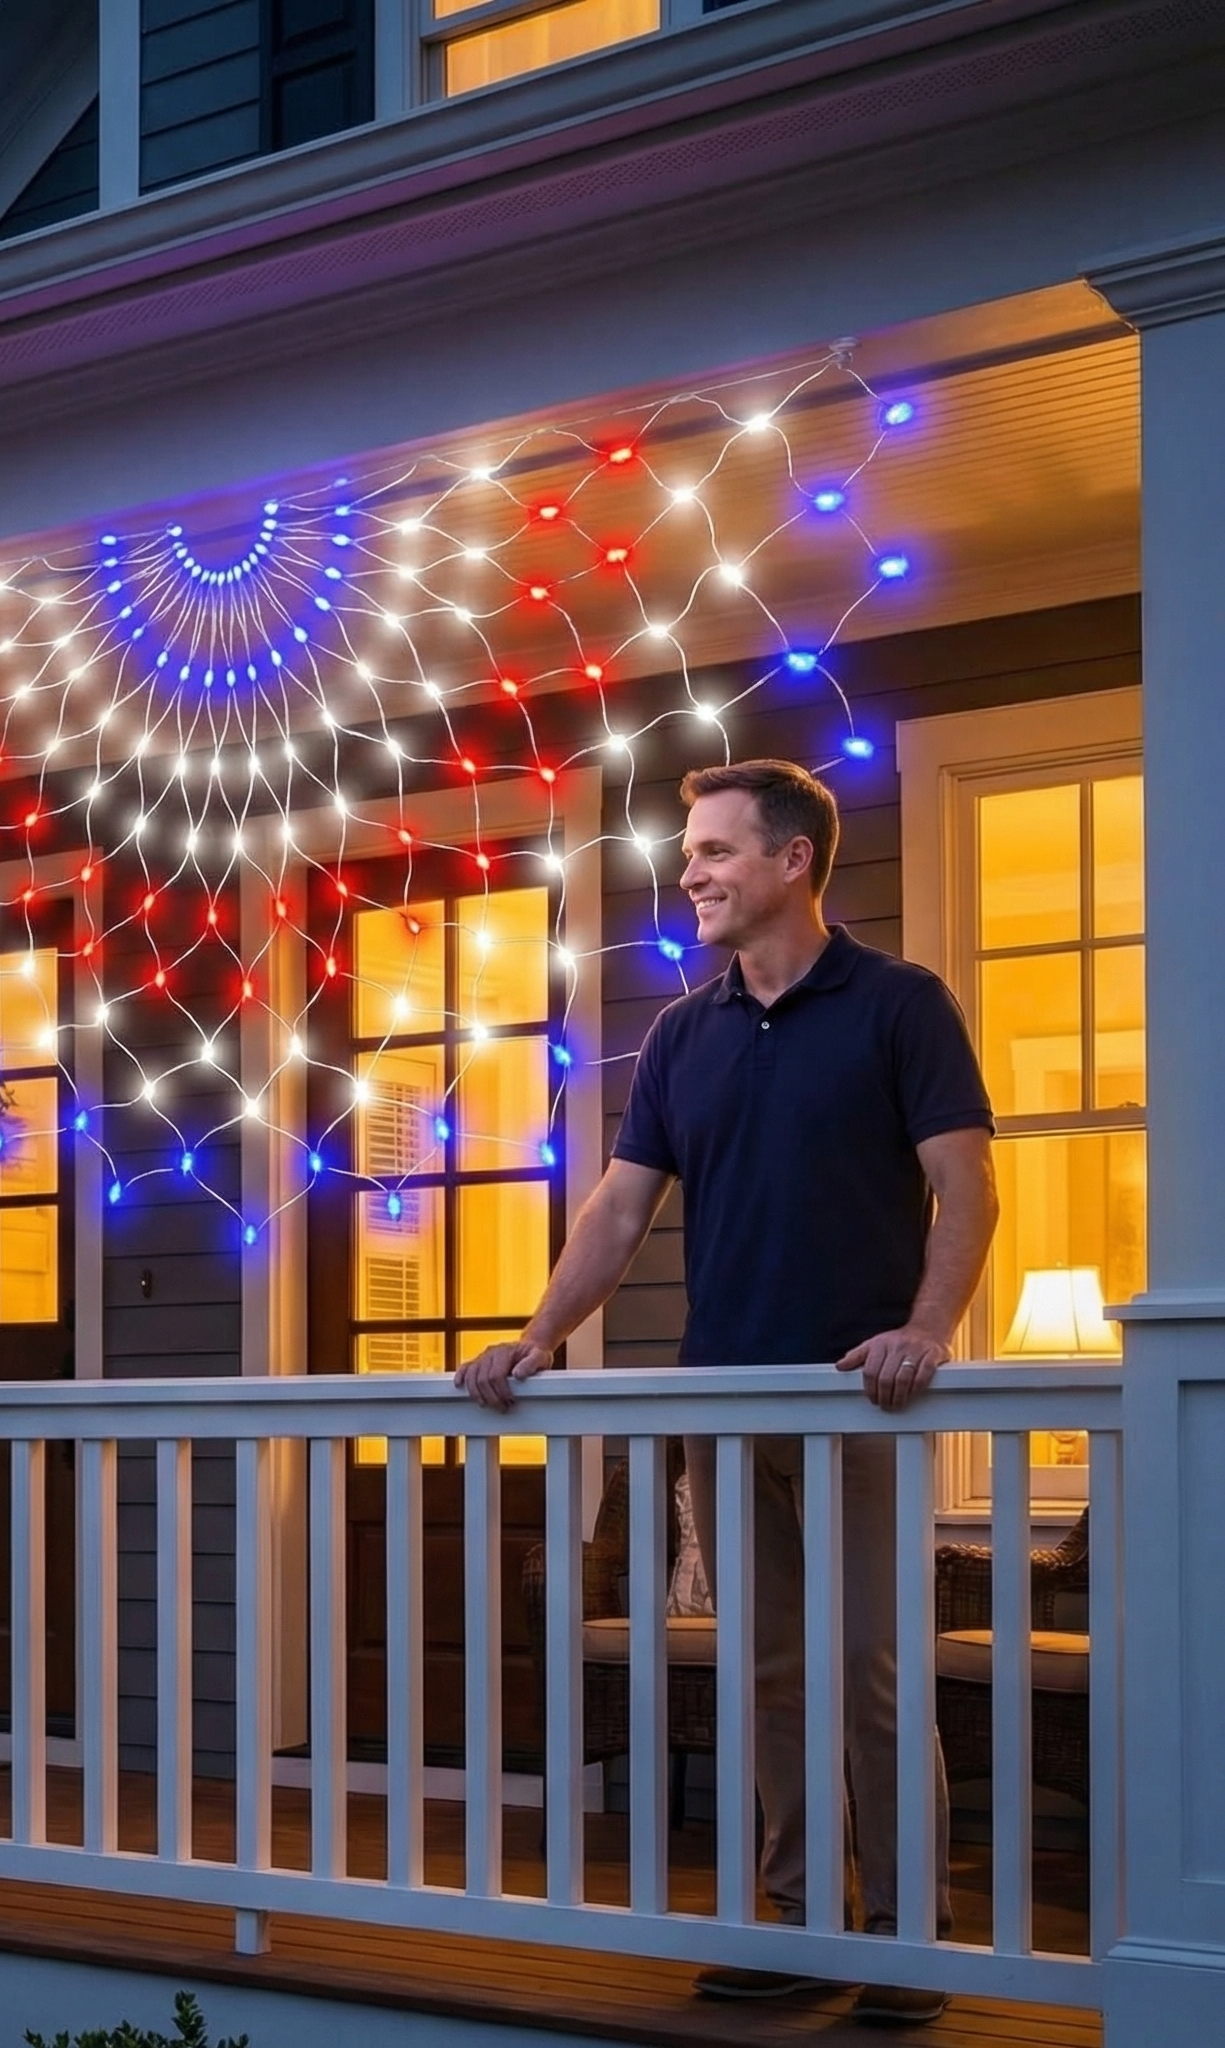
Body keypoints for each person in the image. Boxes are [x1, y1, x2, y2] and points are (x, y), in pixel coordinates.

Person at [455, 759, 997, 2028]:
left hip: (857, 1403)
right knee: (768, 1671)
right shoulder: (682, 1035)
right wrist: (536, 1334)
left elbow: (965, 1186)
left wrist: (923, 1329)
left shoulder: (898, 1004)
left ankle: (908, 1935)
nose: (687, 872)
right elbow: (616, 1207)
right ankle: (803, 1920)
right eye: (686, 850)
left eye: (711, 849)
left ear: (792, 859)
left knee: (865, 1666)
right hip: (725, 1393)